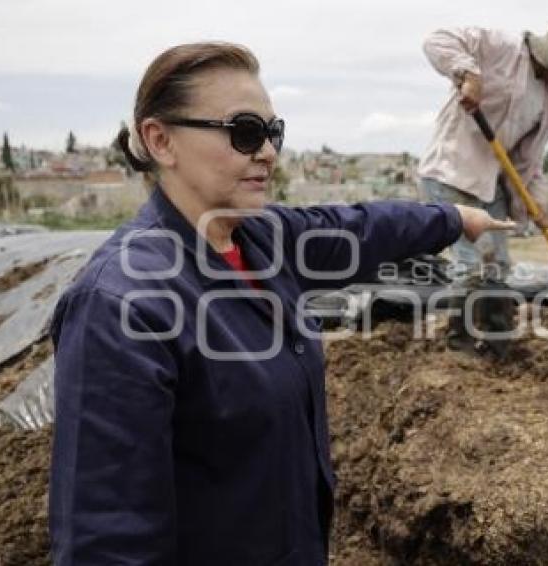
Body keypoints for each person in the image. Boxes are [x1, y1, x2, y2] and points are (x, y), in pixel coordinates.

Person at [49, 41, 514, 565]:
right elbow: (106, 539)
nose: (267, 152)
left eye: (274, 133)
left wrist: (452, 220)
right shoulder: (121, 304)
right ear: (161, 140)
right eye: (244, 132)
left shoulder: (260, 239)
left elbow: (357, 229)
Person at [418, 13, 548, 349]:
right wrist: (468, 74)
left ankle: (499, 344)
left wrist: (536, 208)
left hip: (491, 185)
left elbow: (528, 163)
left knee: (498, 266)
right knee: (473, 265)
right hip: (451, 172)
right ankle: (461, 347)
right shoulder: (501, 47)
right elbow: (436, 39)